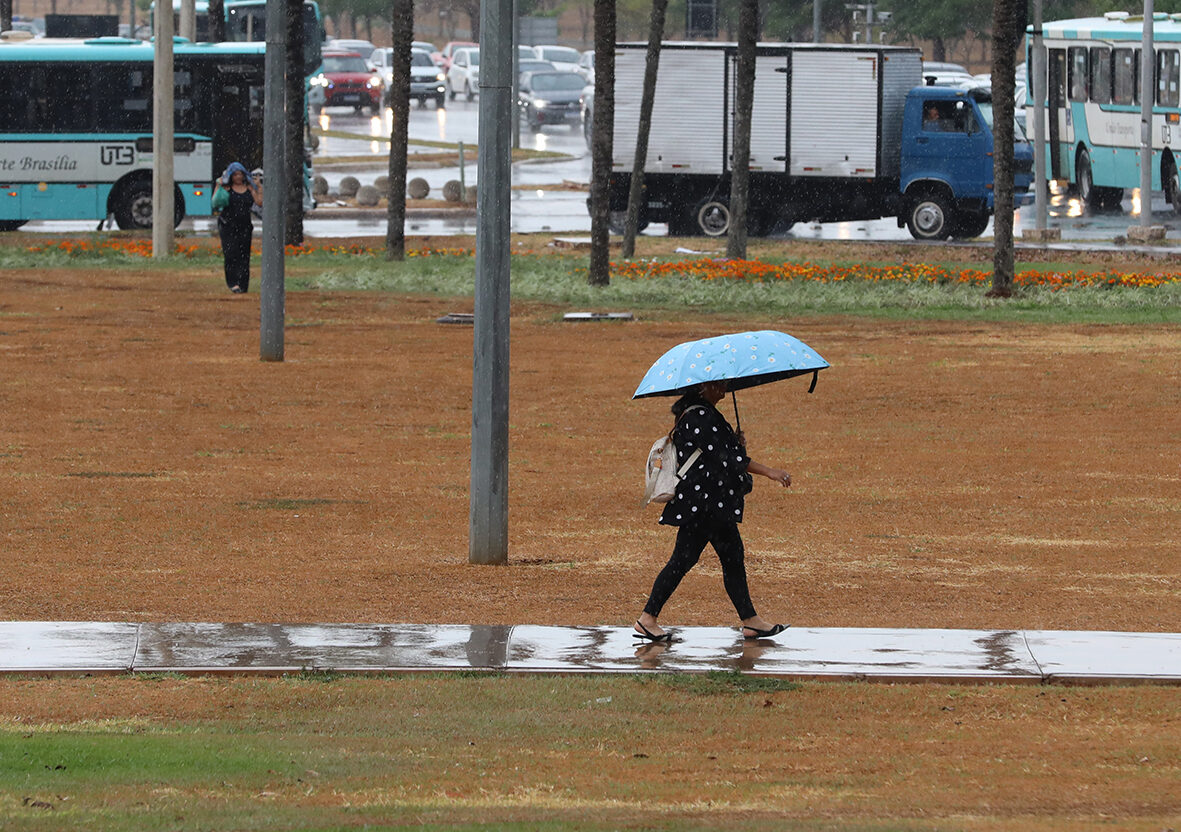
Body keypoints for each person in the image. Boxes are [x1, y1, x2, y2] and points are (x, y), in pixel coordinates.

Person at [633, 380, 792, 643]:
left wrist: (736, 442)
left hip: (711, 504)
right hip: (704, 504)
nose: (724, 389)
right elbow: (727, 457)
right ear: (702, 387)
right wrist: (770, 472)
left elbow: (721, 452)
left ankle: (750, 620)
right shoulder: (699, 415)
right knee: (684, 561)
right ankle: (647, 618)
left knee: (731, 558)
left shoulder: (702, 414)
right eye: (718, 385)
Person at [212, 162, 262, 294]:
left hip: (245, 226)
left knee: (244, 256)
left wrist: (258, 187)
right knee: (230, 254)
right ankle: (233, 283)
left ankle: (243, 284)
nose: (238, 177)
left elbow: (259, 202)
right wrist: (219, 186)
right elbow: (215, 202)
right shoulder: (227, 187)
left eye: (240, 174)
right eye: (235, 174)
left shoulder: (249, 187)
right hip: (228, 226)